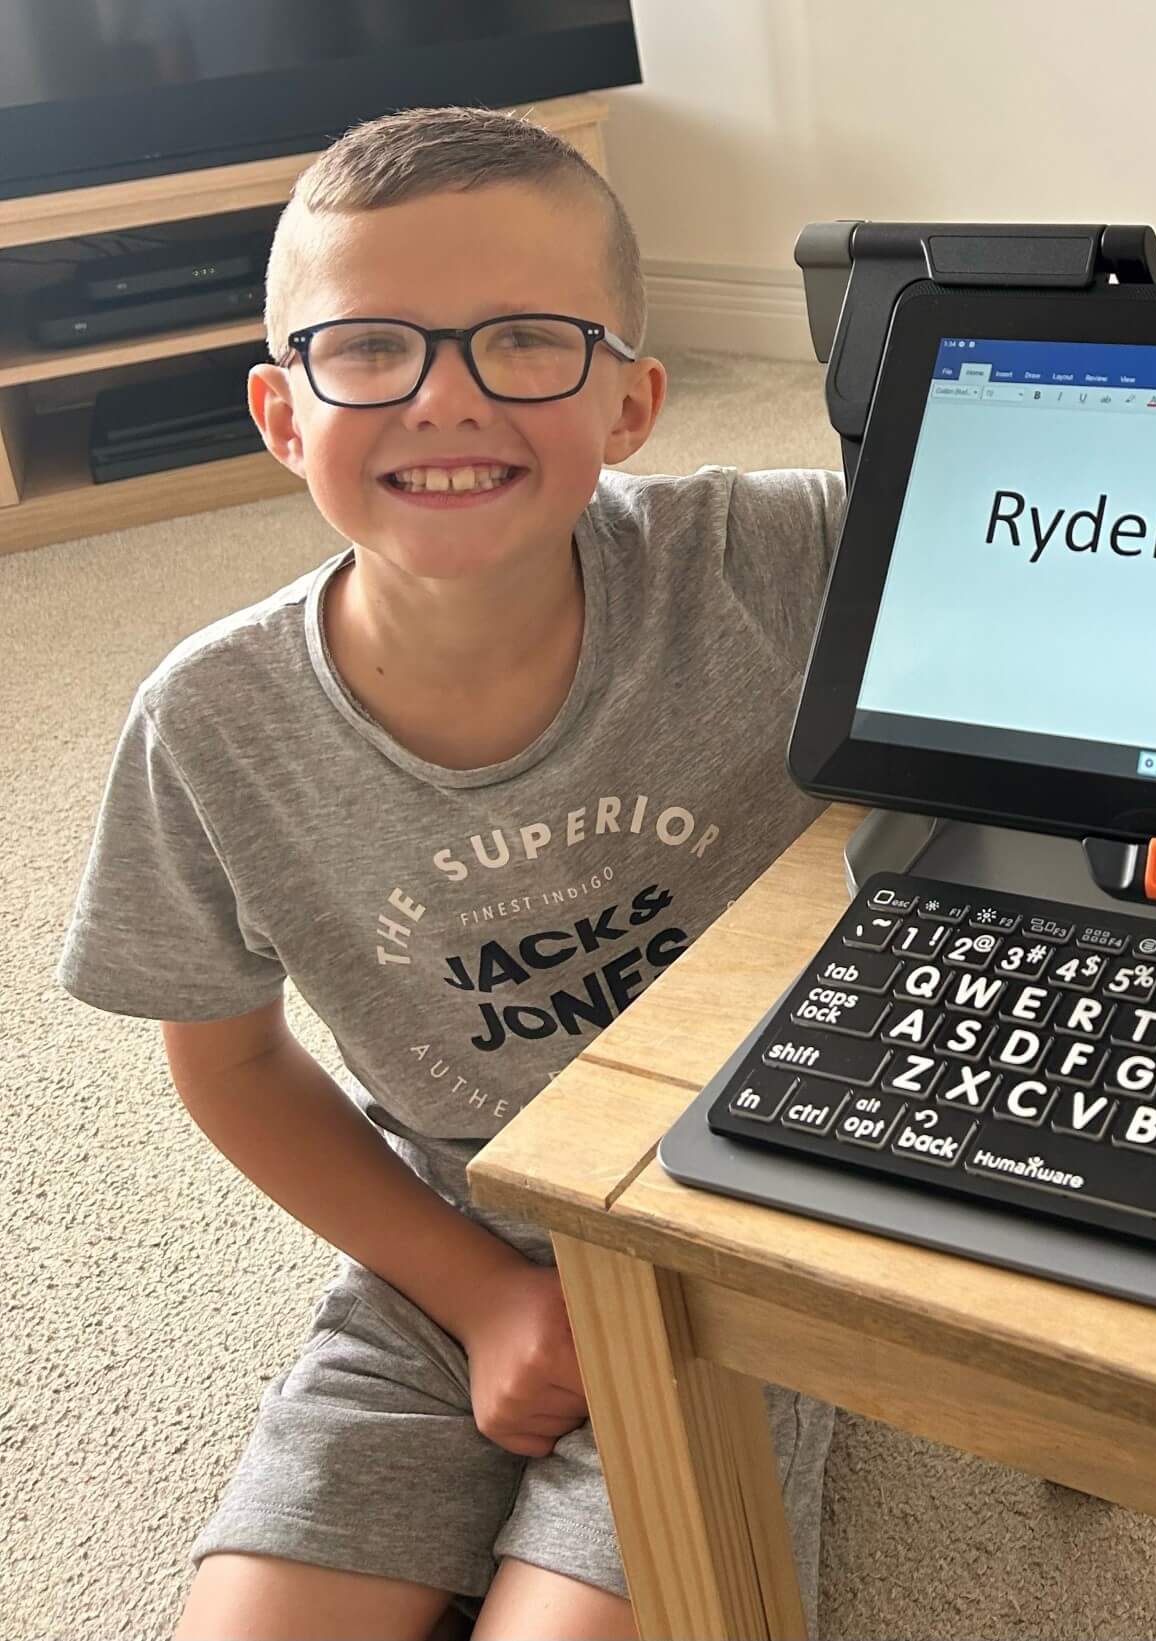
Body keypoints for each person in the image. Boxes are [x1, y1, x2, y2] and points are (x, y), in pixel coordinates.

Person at [56, 105, 840, 1640]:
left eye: (528, 342)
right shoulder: (210, 720)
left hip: (724, 1241)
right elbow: (228, 1063)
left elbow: (1007, 535)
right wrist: (484, 1296)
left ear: (633, 402)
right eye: (370, 349)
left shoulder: (768, 557)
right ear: (284, 415)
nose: (446, 399)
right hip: (442, 1250)